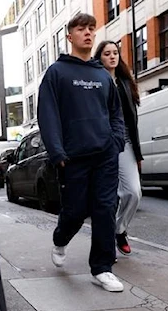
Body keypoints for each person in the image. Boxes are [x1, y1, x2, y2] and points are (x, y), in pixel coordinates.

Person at [37, 13, 125, 292]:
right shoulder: (57, 73)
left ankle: (102, 268)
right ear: (69, 36)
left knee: (105, 209)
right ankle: (61, 238)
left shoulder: (102, 75)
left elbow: (115, 112)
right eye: (81, 29)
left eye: (91, 29)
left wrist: (117, 141)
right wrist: (57, 152)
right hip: (73, 156)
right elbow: (47, 114)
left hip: (105, 154)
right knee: (75, 210)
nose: (87, 33)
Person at [94, 41, 143, 257]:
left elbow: (133, 121)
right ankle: (104, 249)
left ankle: (119, 230)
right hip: (103, 144)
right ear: (100, 57)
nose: (112, 57)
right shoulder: (95, 81)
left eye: (115, 53)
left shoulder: (125, 82)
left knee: (134, 192)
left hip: (126, 143)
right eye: (107, 53)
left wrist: (138, 153)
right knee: (106, 198)